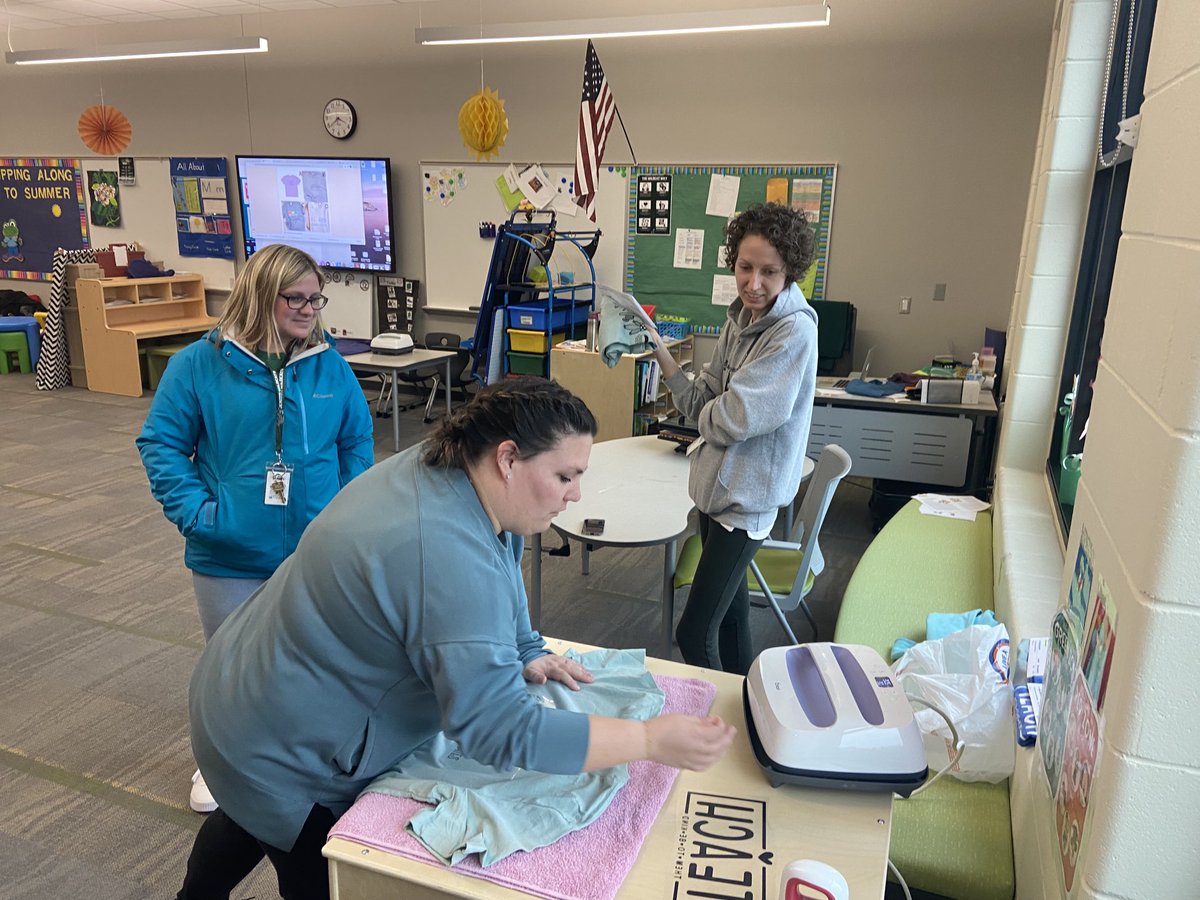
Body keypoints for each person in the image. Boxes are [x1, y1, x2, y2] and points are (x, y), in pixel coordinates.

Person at [174, 376, 737, 900]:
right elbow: (500, 731)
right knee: (319, 868)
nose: (575, 496)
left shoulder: (454, 467)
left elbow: (501, 556)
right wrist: (648, 742)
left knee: (244, 812)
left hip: (238, 685)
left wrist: (523, 647)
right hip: (277, 744)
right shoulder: (442, 550)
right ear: (509, 458)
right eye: (565, 476)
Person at [137, 243, 374, 813]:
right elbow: (161, 444)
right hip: (229, 552)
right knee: (233, 668)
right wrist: (201, 515)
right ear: (260, 294)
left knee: (313, 658)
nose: (309, 309)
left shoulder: (327, 365)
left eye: (316, 297)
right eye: (295, 298)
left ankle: (301, 757)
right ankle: (221, 765)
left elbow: (356, 441)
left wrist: (341, 511)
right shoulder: (197, 364)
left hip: (314, 550)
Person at [647, 202, 818, 674]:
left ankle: (717, 729)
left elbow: (736, 416)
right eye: (745, 267)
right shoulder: (738, 318)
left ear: (790, 272)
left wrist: (706, 411)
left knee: (693, 632)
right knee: (730, 620)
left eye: (769, 271)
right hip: (716, 493)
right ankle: (746, 708)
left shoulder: (793, 332)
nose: (753, 283)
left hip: (745, 503)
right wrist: (660, 350)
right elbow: (703, 396)